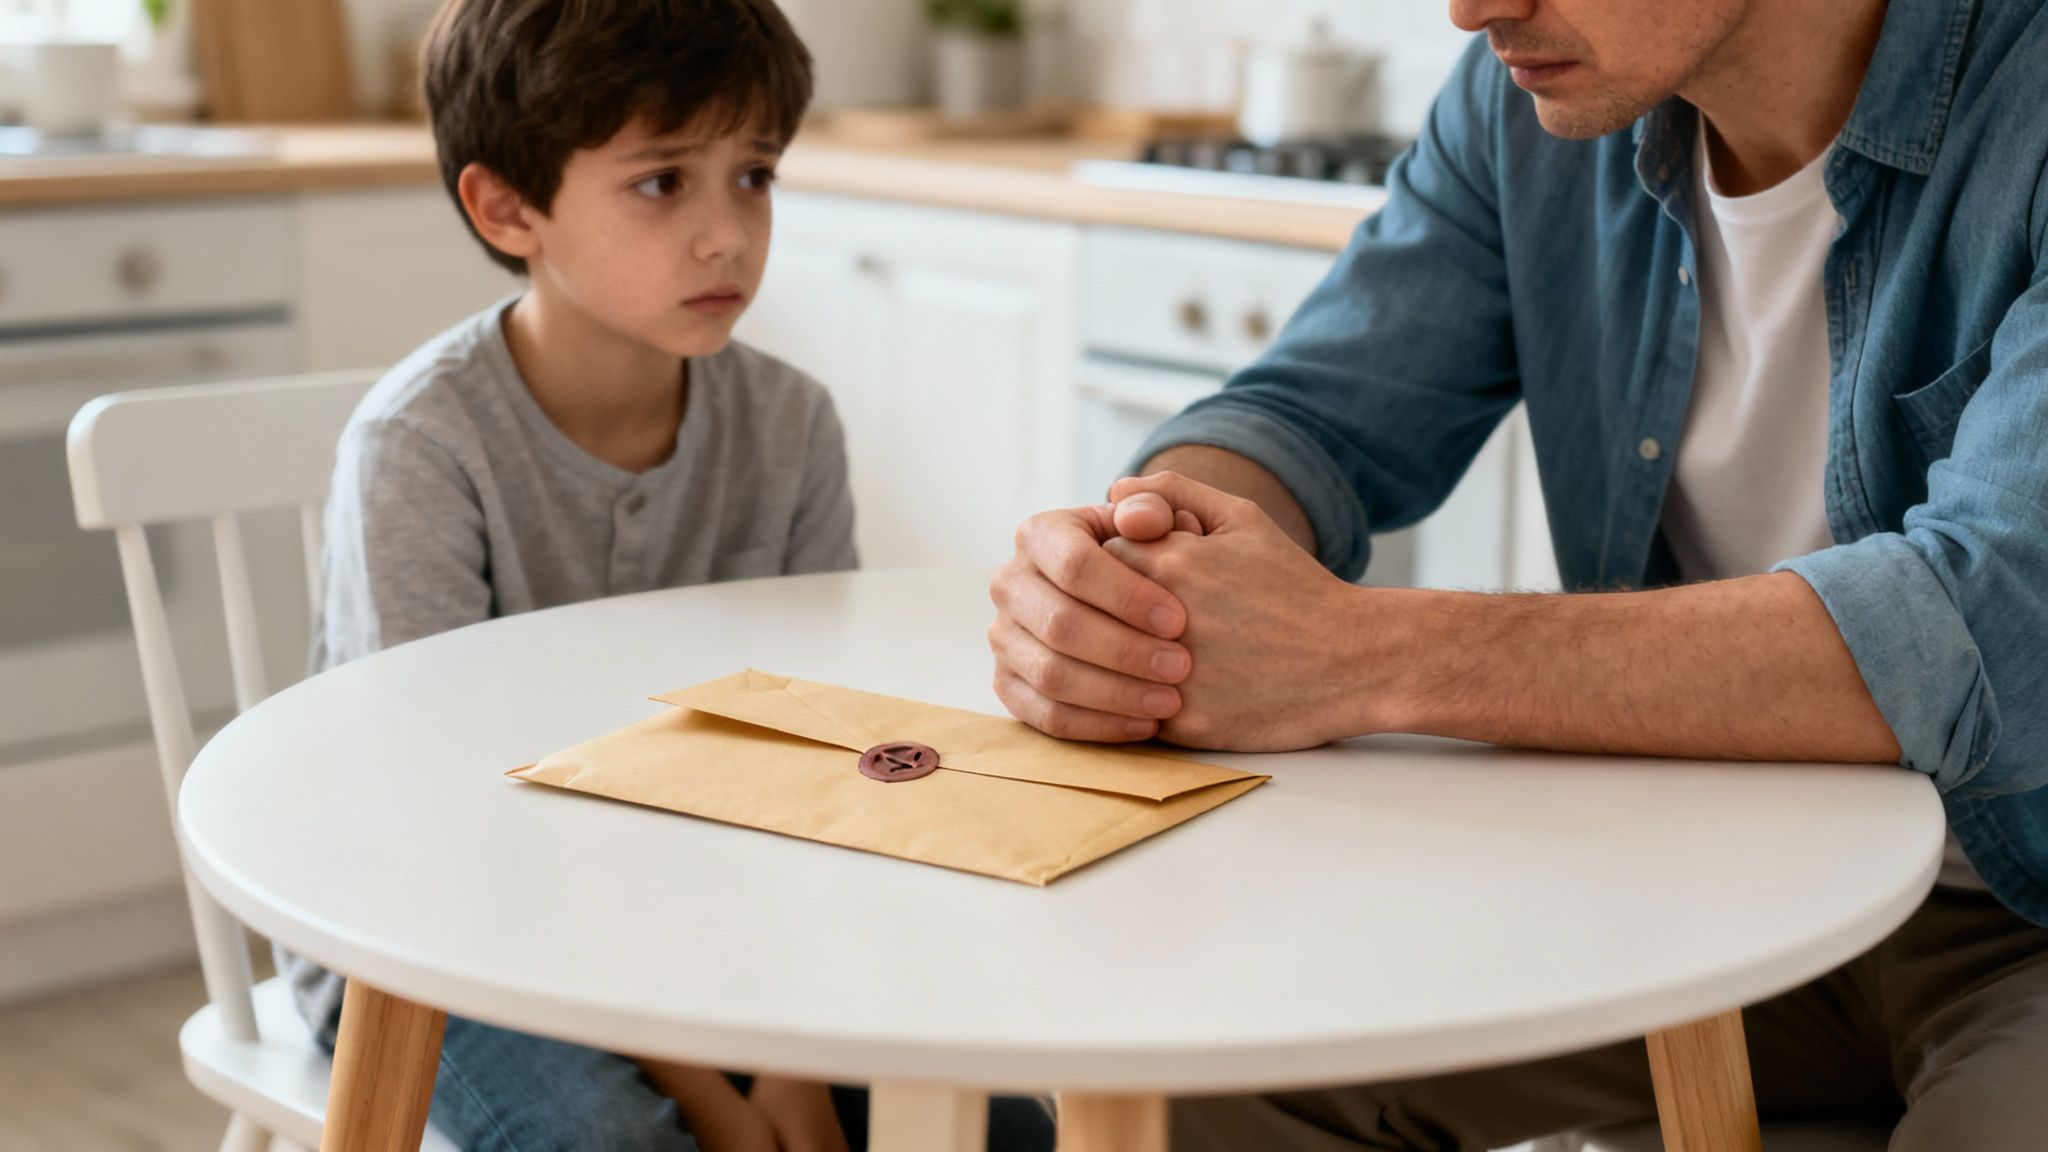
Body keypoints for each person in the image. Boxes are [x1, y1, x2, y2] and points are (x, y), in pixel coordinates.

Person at [988, 0, 2048, 1147]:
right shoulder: (1531, 99)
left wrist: (1357, 655)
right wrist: (1146, 563)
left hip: (2016, 923)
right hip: (1721, 879)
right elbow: (1309, 415)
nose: (1468, 7)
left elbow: (1989, 621)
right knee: (1170, 1065)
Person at [292, 2, 1055, 1150]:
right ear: (509, 208)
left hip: (724, 927)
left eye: (752, 176)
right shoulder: (424, 448)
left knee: (995, 1132)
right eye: (662, 184)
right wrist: (711, 1089)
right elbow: (454, 829)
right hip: (437, 942)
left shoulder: (789, 425)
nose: (726, 236)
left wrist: (796, 1063)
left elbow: (814, 767)